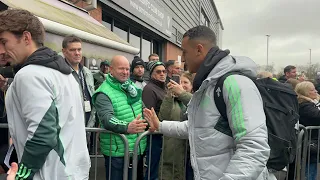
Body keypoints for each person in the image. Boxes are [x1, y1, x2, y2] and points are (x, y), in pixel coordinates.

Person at [144, 25, 275, 180]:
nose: (183, 59)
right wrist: (160, 125)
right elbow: (197, 127)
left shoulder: (235, 83)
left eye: (184, 52)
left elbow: (253, 148)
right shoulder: (208, 85)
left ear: (199, 49)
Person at [0, 9, 90, 179]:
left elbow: (42, 135)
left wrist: (21, 175)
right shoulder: (65, 72)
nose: (1, 50)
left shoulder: (30, 75)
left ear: (26, 38)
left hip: (49, 174)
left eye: (4, 42)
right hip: (73, 171)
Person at [93, 55, 147, 180]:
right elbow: (107, 118)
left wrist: (151, 121)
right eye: (121, 69)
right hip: (117, 153)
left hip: (137, 149)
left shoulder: (132, 88)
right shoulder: (103, 92)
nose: (125, 72)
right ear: (111, 70)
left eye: (127, 69)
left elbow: (143, 110)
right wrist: (127, 126)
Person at [158, 72, 194, 180]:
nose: (181, 85)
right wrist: (169, 96)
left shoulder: (196, 99)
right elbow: (163, 117)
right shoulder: (171, 101)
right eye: (179, 82)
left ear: (192, 86)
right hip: (174, 152)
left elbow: (198, 108)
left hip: (191, 152)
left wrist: (182, 94)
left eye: (185, 82)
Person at [62, 35, 96, 128]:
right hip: (70, 127)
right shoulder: (61, 73)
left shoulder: (87, 72)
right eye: (72, 50)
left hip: (88, 126)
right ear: (64, 52)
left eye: (79, 49)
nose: (77, 53)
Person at [142, 61, 167, 180]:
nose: (162, 74)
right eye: (158, 72)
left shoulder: (164, 87)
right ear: (152, 74)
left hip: (164, 132)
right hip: (155, 135)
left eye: (164, 71)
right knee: (153, 169)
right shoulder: (149, 89)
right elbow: (147, 113)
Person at [295, 81, 320, 180]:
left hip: (310, 141)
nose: (316, 91)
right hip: (309, 142)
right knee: (309, 171)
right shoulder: (305, 106)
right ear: (306, 92)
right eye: (312, 90)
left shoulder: (310, 104)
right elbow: (317, 116)